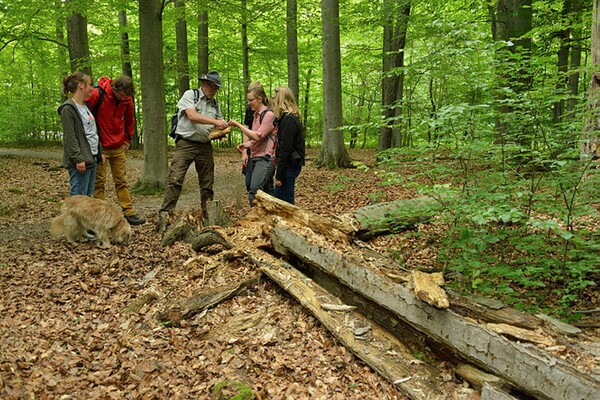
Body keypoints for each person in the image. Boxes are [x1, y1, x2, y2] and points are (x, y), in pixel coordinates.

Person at [159, 71, 229, 218]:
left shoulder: (215, 104)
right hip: (186, 143)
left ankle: (207, 214)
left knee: (207, 182)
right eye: (212, 86)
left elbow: (218, 125)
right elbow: (192, 116)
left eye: (216, 88)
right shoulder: (190, 95)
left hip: (205, 145)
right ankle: (166, 213)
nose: (214, 90)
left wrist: (222, 132)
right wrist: (215, 122)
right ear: (204, 84)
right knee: (176, 178)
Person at [86, 75, 145, 226]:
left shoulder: (127, 99)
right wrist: (93, 145)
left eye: (126, 96)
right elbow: (85, 115)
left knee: (121, 181)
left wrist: (127, 139)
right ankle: (99, 215)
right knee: (99, 182)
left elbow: (130, 119)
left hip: (118, 146)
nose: (124, 98)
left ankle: (129, 212)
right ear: (115, 88)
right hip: (100, 147)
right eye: (122, 95)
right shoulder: (97, 94)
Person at [228, 83, 276, 206]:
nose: (249, 103)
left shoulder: (269, 115)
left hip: (265, 159)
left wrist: (238, 125)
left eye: (251, 100)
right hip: (255, 157)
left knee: (254, 190)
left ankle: (256, 216)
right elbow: (256, 140)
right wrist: (246, 146)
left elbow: (258, 136)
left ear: (259, 99)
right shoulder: (255, 115)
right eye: (248, 100)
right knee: (266, 191)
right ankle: (269, 215)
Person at [58, 72, 104, 197]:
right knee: (78, 198)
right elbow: (70, 137)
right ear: (81, 85)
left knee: (88, 197)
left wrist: (99, 152)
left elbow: (92, 132)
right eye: (90, 85)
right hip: (80, 160)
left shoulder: (86, 106)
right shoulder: (68, 109)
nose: (92, 89)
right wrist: (78, 159)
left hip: (92, 157)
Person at [271, 86, 305, 205]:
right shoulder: (286, 119)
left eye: (275, 98)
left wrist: (279, 176)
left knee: (286, 202)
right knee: (278, 200)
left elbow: (285, 149)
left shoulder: (288, 120)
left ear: (280, 100)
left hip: (289, 166)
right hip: (288, 165)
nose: (273, 100)